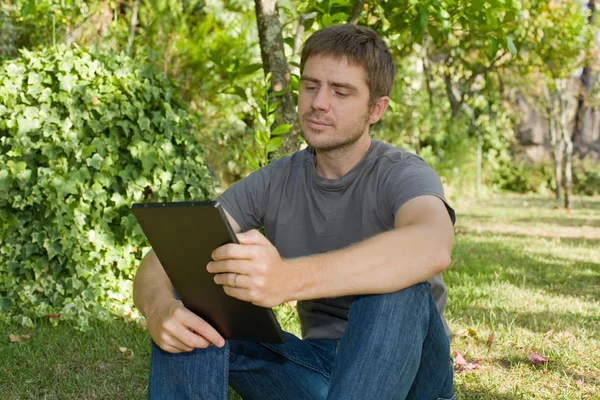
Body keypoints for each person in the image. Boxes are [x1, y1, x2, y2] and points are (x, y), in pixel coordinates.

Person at [133, 23, 456, 400]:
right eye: (310, 85)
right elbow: (162, 260)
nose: (319, 102)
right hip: (316, 367)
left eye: (341, 91)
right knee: (197, 307)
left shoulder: (403, 173)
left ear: (376, 109)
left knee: (399, 288)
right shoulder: (276, 180)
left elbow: (431, 245)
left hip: (412, 373)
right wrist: (158, 309)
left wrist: (289, 278)